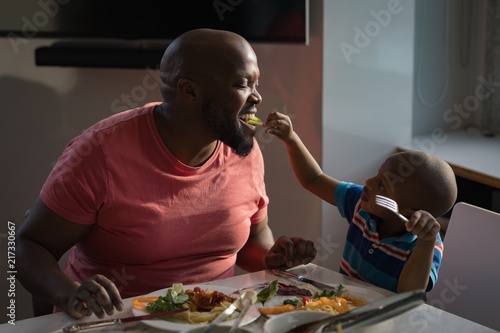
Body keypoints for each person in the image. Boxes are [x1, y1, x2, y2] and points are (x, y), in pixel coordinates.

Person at [16, 29, 317, 319]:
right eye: (243, 84)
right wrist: (68, 293)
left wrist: (271, 258)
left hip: (215, 319)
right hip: (117, 321)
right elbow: (28, 245)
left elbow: (252, 238)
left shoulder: (242, 149)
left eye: (257, 85)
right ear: (190, 91)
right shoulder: (100, 152)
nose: (257, 98)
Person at [265, 111, 457, 293]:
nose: (368, 183)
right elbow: (314, 180)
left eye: (382, 185)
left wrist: (426, 241)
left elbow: (409, 294)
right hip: (345, 306)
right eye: (377, 175)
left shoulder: (426, 246)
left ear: (409, 212)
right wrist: (291, 139)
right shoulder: (362, 206)